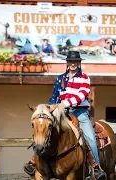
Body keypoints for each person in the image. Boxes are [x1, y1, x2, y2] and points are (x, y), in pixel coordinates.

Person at [23, 50, 107, 180]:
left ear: (79, 63)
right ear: (67, 63)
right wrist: (49, 108)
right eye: (70, 61)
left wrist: (65, 104)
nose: (73, 64)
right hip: (61, 112)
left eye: (75, 62)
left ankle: (95, 167)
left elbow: (81, 95)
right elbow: (55, 97)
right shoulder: (60, 78)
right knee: (46, 129)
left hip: (79, 112)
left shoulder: (84, 77)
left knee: (89, 136)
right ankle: (35, 159)